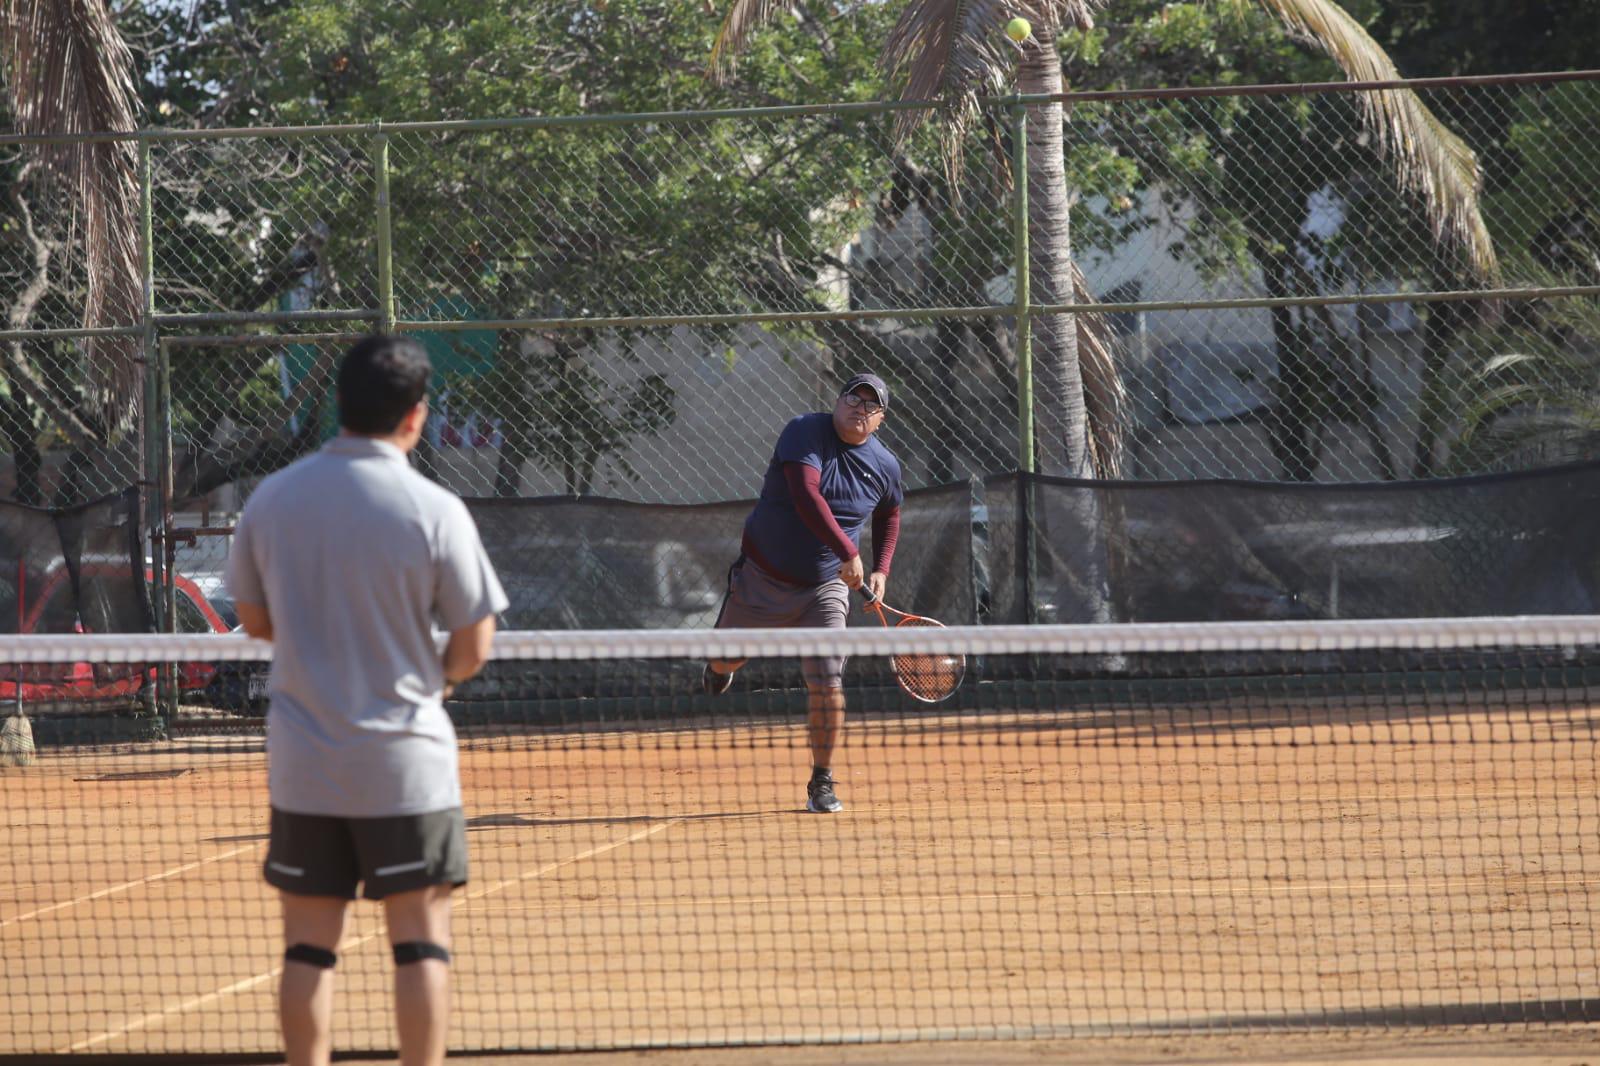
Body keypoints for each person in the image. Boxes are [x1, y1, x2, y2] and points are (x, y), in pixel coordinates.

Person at [227, 334, 508, 1066]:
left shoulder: (273, 498)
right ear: (415, 417)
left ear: (337, 405)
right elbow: (474, 645)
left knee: (307, 950)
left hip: (304, 762)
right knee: (420, 944)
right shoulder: (435, 508)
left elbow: (254, 621)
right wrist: (427, 683)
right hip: (407, 763)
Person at [702, 372, 904, 814]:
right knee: (724, 659)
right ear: (838, 400)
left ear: (880, 420)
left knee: (827, 681)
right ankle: (721, 664)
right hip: (763, 577)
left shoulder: (886, 465)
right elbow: (805, 495)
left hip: (825, 589)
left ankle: (822, 780)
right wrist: (849, 550)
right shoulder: (804, 432)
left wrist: (882, 569)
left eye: (870, 405)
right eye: (854, 397)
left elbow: (890, 514)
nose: (859, 408)